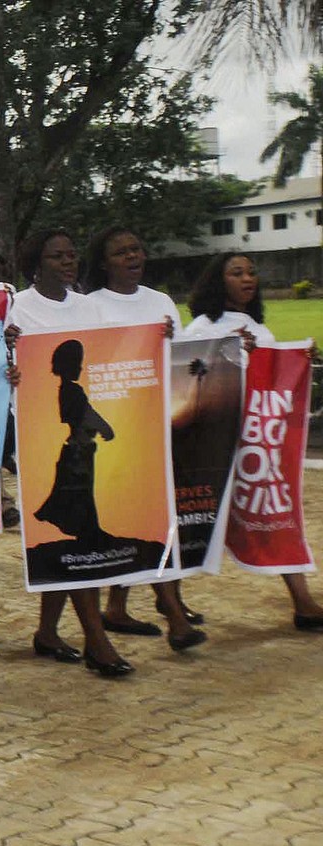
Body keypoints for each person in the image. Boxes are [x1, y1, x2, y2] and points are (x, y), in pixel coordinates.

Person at [10, 229, 134, 678]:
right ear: (36, 262)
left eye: (71, 254)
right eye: (56, 256)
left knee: (71, 535)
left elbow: (116, 356)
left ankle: (46, 632)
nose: (68, 262)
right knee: (81, 533)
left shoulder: (89, 306)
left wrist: (156, 339)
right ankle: (96, 641)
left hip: (81, 450)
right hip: (39, 438)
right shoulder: (17, 308)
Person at [183, 251, 323, 631]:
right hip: (213, 446)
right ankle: (134, 602)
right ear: (218, 281)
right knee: (189, 524)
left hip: (253, 447)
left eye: (251, 272)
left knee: (275, 513)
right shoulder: (200, 327)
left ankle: (303, 600)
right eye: (237, 272)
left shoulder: (259, 329)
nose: (248, 278)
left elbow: (272, 380)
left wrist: (301, 359)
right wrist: (228, 353)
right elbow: (187, 375)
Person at [83, 226, 206, 650]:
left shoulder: (161, 302)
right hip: (115, 431)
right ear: (103, 262)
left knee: (151, 519)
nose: (133, 256)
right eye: (121, 252)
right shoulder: (90, 306)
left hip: (157, 424)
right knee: (141, 520)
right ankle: (173, 615)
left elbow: (185, 357)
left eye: (137, 248)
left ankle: (118, 607)